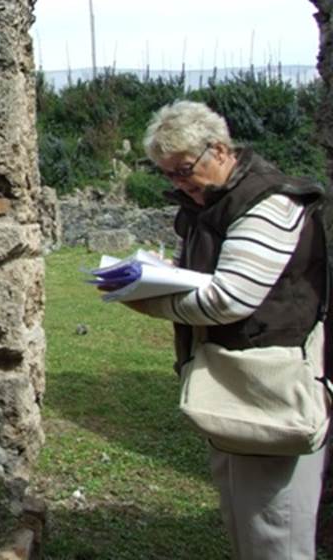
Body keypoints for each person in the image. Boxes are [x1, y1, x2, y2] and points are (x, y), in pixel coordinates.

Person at [125, 100, 329, 560]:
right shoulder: (217, 201)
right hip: (237, 385)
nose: (179, 184)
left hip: (271, 389)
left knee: (278, 531)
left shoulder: (270, 204)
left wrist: (147, 298)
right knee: (248, 523)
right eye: (169, 175)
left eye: (183, 171)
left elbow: (230, 298)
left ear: (219, 150)